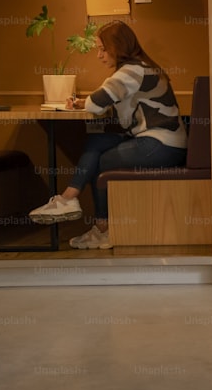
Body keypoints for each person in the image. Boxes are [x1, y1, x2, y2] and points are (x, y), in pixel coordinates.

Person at [28, 20, 188, 248]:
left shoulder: (131, 71)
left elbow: (97, 104)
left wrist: (86, 102)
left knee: (102, 161)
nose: (99, 55)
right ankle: (71, 200)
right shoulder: (142, 67)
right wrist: (88, 102)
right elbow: (107, 104)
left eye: (103, 49)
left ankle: (98, 223)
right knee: (98, 140)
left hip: (161, 146)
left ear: (118, 47)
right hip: (161, 143)